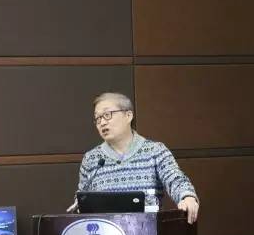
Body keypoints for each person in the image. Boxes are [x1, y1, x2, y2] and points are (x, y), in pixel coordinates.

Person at [75, 92, 199, 224]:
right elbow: (81, 200)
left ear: (128, 115)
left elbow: (176, 179)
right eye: (97, 118)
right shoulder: (91, 159)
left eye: (107, 115)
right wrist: (78, 204)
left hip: (147, 230)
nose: (102, 122)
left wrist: (187, 197)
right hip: (106, 233)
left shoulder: (155, 150)